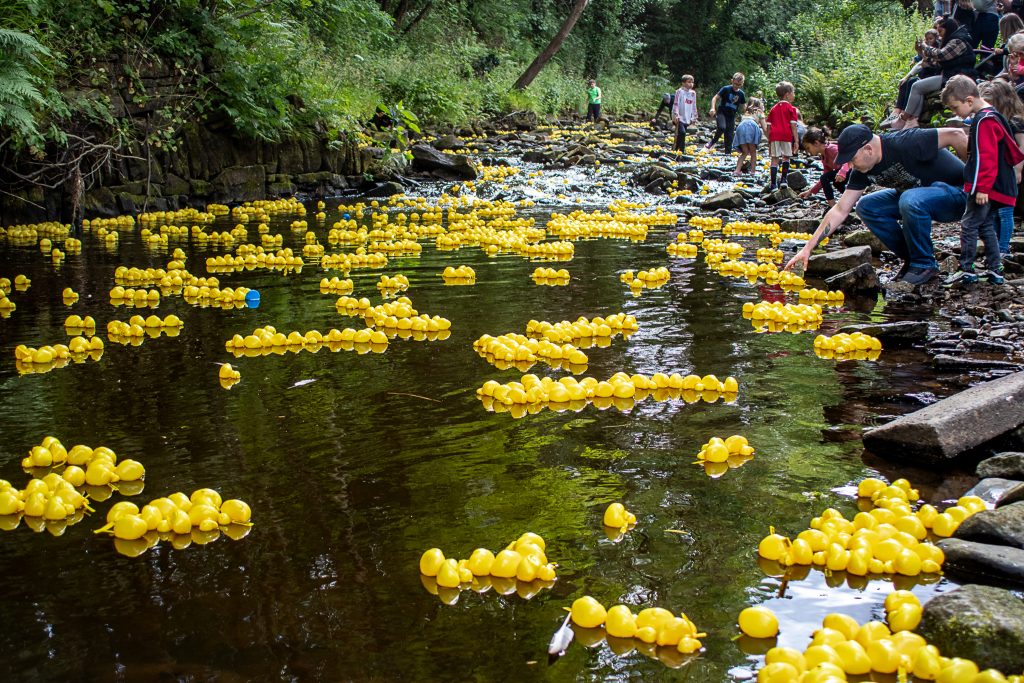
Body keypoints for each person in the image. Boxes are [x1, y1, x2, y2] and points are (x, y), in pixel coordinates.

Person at [783, 124, 970, 286]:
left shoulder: (906, 141)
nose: (851, 166)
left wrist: (976, 180)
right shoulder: (862, 170)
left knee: (910, 198)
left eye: (852, 159)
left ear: (868, 149)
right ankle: (913, 259)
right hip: (919, 201)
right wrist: (807, 249)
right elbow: (840, 210)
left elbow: (956, 134)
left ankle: (924, 264)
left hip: (958, 195)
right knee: (866, 206)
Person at [941, 75, 1023, 285]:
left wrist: (982, 188)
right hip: (996, 185)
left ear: (969, 100)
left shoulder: (984, 121)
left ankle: (966, 269)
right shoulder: (993, 115)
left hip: (985, 186)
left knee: (969, 225)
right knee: (985, 225)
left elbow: (986, 157)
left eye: (954, 107)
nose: (955, 113)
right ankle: (995, 269)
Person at [901, 16, 977, 129]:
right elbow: (935, 62)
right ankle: (912, 120)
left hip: (957, 76)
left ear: (948, 29)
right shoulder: (952, 40)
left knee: (917, 87)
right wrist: (921, 53)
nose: (939, 34)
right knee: (916, 84)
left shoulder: (958, 41)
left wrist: (925, 47)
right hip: (949, 74)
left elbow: (941, 55)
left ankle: (906, 117)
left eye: (940, 31)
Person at [978, 78, 1024, 255]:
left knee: (1005, 212)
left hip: (1009, 171)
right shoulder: (992, 120)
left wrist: (1018, 169)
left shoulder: (1015, 121)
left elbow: (1021, 146)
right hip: (996, 171)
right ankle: (995, 245)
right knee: (994, 211)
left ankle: (1003, 247)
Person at [882, 29, 942, 130]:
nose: (928, 41)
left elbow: (926, 62)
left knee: (913, 83)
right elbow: (921, 61)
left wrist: (922, 53)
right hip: (925, 75)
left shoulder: (937, 48)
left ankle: (907, 117)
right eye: (926, 39)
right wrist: (919, 52)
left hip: (933, 75)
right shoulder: (928, 49)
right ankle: (897, 111)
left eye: (930, 39)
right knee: (906, 82)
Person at [799, 128, 849, 207]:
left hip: (853, 170)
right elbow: (824, 178)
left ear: (816, 143)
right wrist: (810, 191)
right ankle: (850, 198)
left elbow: (848, 159)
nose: (807, 151)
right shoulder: (824, 156)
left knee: (827, 178)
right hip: (843, 174)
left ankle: (832, 205)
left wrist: (842, 172)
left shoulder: (832, 149)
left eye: (808, 148)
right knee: (835, 182)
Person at [765, 81, 799, 190]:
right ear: (787, 94)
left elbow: (768, 127)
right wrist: (796, 141)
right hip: (786, 135)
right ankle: (784, 180)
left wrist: (769, 140)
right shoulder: (791, 109)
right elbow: (793, 126)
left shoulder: (773, 109)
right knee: (786, 157)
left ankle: (773, 184)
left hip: (774, 136)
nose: (794, 95)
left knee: (774, 159)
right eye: (793, 92)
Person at [705, 73, 746, 152]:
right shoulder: (726, 89)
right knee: (721, 127)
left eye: (739, 85)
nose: (736, 86)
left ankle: (728, 155)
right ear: (732, 81)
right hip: (722, 113)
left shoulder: (741, 94)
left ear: (742, 84)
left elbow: (744, 107)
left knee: (729, 137)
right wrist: (713, 108)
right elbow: (715, 98)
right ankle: (713, 141)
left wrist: (747, 115)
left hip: (731, 116)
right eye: (735, 84)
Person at [732, 97, 765, 176]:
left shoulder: (746, 112)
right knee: (753, 152)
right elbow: (765, 127)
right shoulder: (759, 112)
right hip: (752, 127)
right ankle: (753, 171)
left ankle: (737, 170)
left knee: (745, 152)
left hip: (741, 127)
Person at [672, 75, 698, 153]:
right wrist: (676, 114)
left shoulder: (693, 93)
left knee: (682, 134)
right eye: (689, 82)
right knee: (682, 133)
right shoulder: (679, 92)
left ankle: (676, 149)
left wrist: (694, 116)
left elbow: (694, 105)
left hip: (687, 117)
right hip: (679, 116)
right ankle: (682, 150)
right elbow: (676, 103)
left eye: (692, 82)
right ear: (683, 83)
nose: (691, 84)